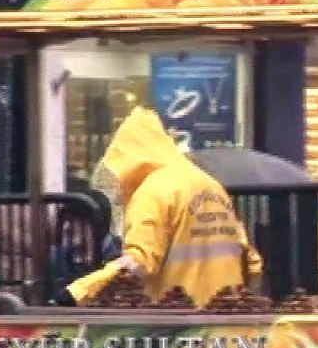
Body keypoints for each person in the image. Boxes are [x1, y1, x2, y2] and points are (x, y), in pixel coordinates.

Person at [57, 107, 262, 307]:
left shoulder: (152, 191)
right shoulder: (211, 184)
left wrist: (78, 292)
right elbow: (251, 260)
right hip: (227, 314)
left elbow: (138, 261)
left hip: (178, 317)